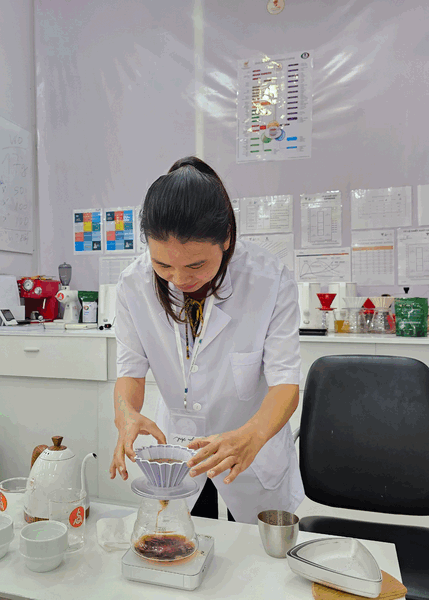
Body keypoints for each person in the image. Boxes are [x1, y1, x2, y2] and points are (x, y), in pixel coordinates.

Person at [108, 156, 304, 524]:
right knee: (182, 543)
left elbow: (286, 386)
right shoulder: (133, 284)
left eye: (195, 265)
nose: (179, 279)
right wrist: (125, 414)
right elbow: (130, 372)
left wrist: (251, 435)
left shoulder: (269, 280)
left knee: (252, 555)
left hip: (252, 449)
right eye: (163, 265)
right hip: (178, 451)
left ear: (226, 237)